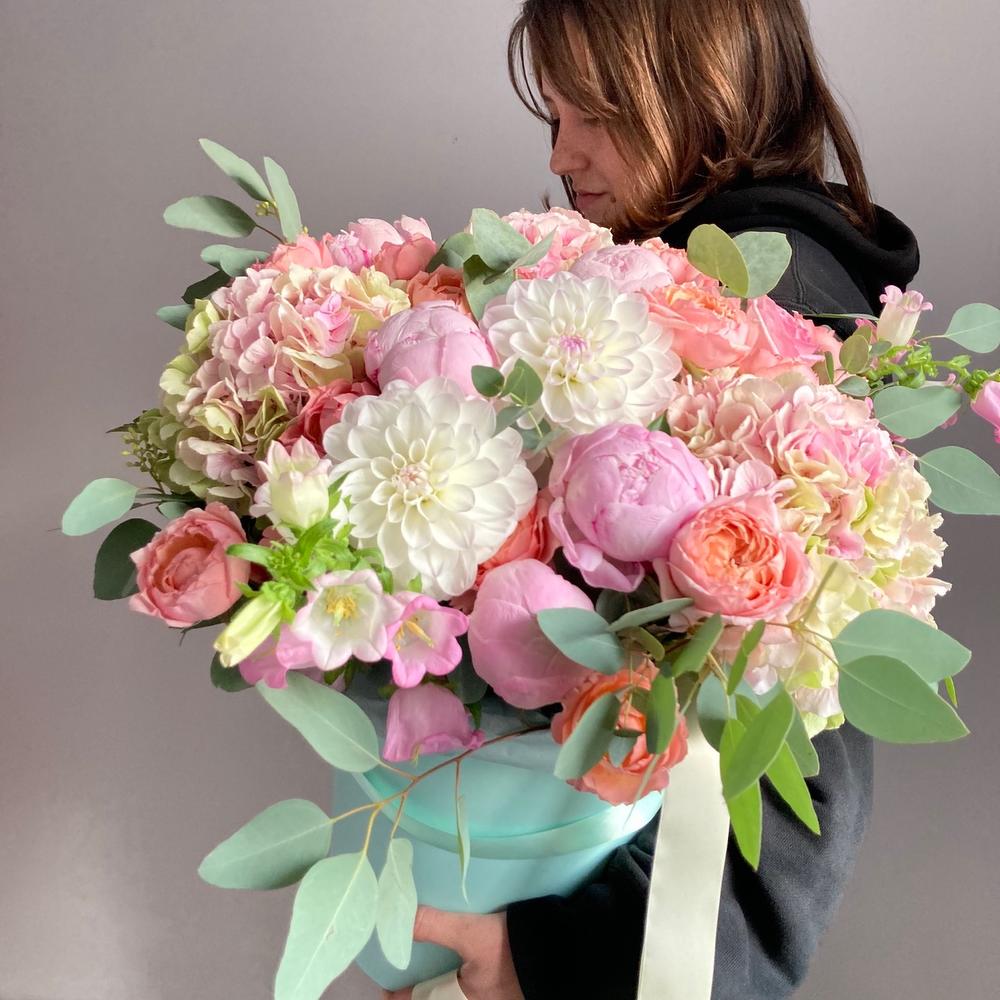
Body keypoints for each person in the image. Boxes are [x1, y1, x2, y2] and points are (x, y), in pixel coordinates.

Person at [384, 1, 920, 997]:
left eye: (597, 113)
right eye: (555, 117)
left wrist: (556, 960)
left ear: (702, 85)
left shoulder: (762, 317)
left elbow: (799, 740)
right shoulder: (684, 277)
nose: (562, 155)